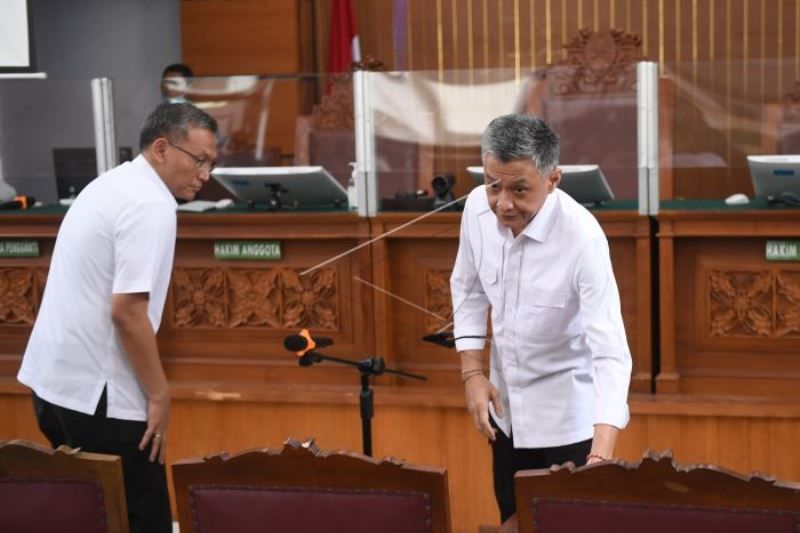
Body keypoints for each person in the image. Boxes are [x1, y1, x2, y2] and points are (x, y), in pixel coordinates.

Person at [17, 103, 218, 533]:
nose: (205, 174)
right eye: (199, 160)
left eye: (211, 164)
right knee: (143, 520)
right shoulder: (151, 203)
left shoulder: (113, 183)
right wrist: (160, 395)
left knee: (89, 516)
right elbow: (127, 312)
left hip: (53, 387)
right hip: (99, 396)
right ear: (162, 148)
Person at [450, 113, 632, 522]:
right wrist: (472, 374)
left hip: (568, 421)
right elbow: (468, 287)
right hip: (506, 415)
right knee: (512, 519)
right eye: (493, 185)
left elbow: (610, 352)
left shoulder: (583, 238)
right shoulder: (478, 210)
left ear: (553, 180)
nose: (503, 203)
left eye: (519, 189)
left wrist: (600, 452)